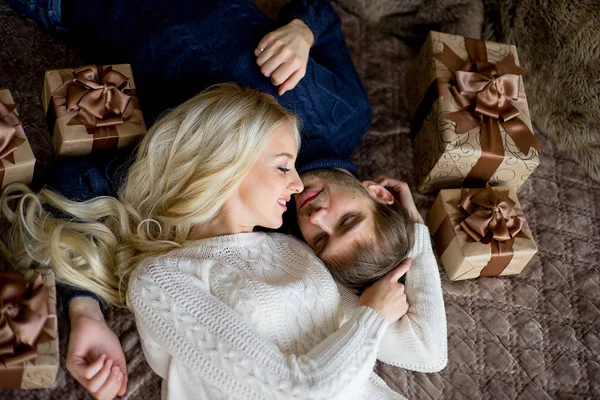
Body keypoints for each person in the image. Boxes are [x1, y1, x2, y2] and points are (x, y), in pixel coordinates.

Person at [3, 0, 447, 398]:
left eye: (321, 240)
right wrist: (303, 30)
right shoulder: (342, 125)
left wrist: (84, 310)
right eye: (347, 220)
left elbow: (70, 191)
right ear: (376, 192)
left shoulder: (208, 260)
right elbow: (427, 350)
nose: (310, 210)